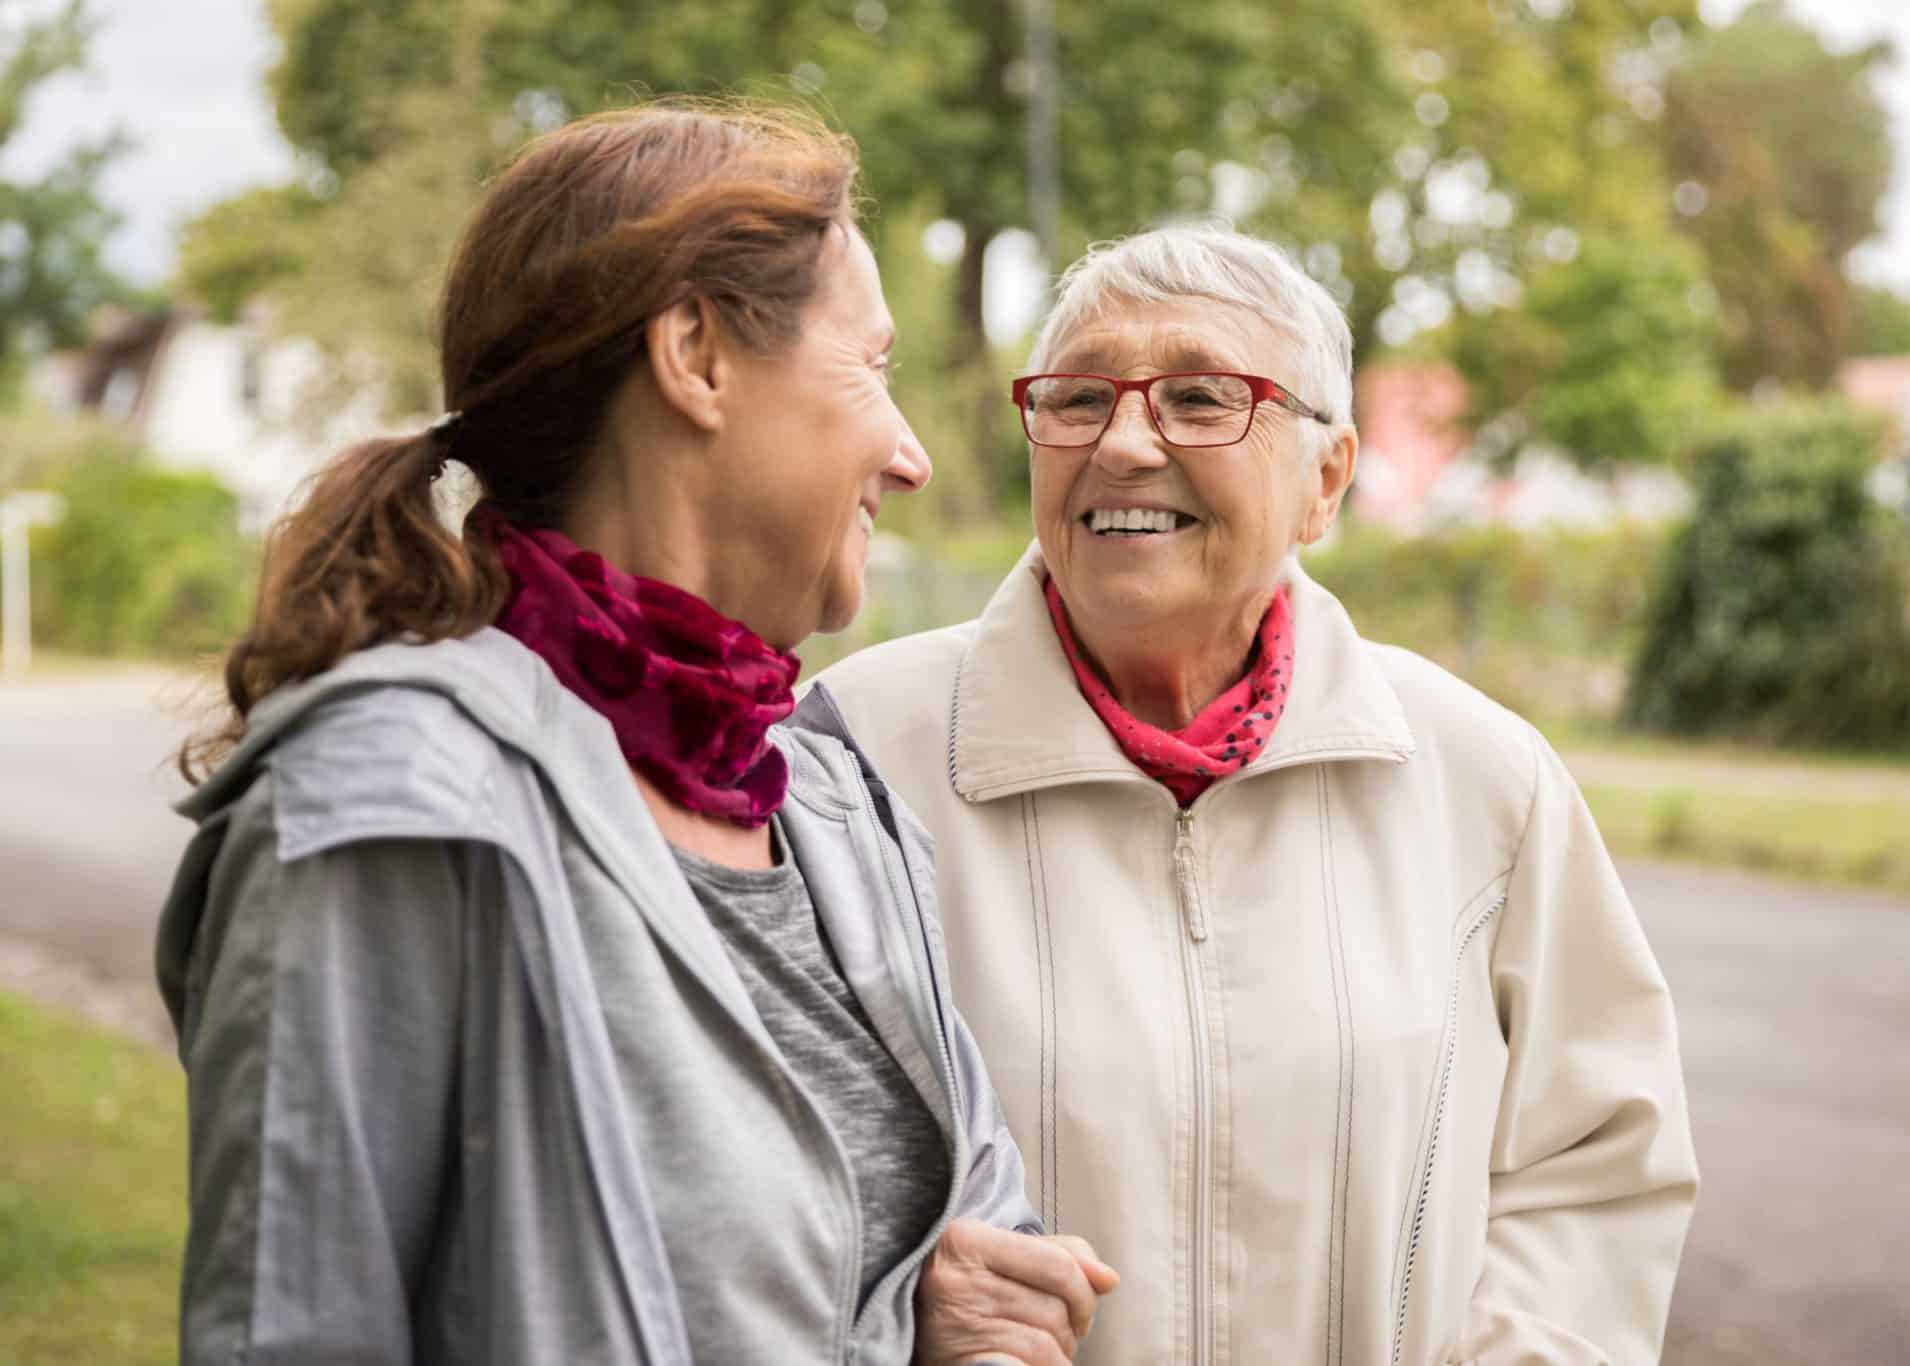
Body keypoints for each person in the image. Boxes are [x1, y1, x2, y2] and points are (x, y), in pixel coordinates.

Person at [158, 103, 1113, 1366]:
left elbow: (964, 1225)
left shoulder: (827, 802)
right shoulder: (390, 799)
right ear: (696, 355)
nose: (911, 456)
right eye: (871, 366)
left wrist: (939, 1322)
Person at [816, 224, 1699, 1365]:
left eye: (1199, 399)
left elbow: (1593, 1160)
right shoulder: (849, 761)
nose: (1123, 443)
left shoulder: (1480, 777)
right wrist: (888, 1311)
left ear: (1325, 481)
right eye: (1078, 399)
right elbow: (738, 1174)